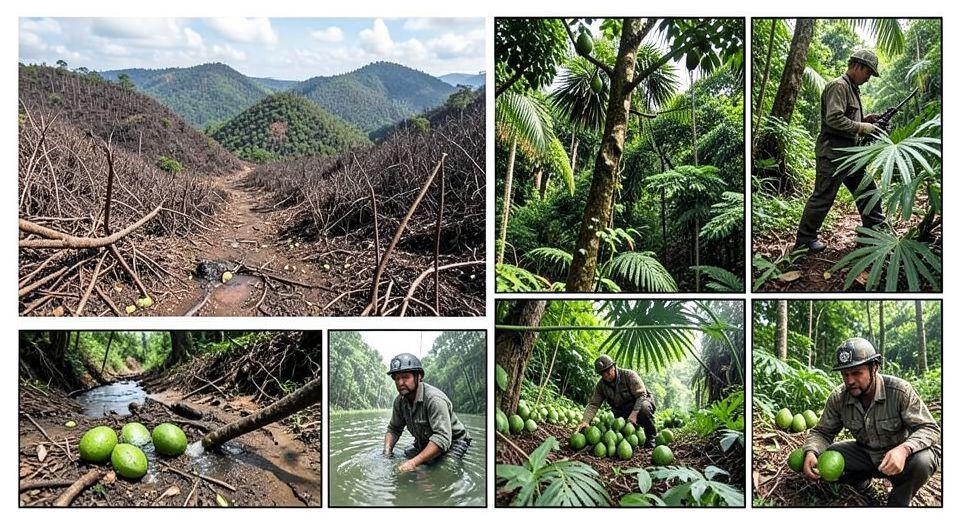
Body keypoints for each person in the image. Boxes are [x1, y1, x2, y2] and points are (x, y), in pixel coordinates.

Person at [801, 338, 941, 506]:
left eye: (856, 373)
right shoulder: (839, 398)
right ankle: (863, 485)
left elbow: (930, 428)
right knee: (824, 458)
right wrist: (811, 452)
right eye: (845, 374)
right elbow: (822, 432)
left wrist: (904, 449)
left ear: (874, 368)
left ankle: (898, 503)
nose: (850, 380)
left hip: (901, 460)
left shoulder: (899, 391)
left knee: (923, 461)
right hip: (866, 455)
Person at [795, 49, 886, 252]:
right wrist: (863, 128)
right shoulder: (839, 86)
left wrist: (865, 120)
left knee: (867, 189)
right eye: (868, 73)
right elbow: (834, 119)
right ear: (857, 66)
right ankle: (804, 240)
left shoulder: (852, 89)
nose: (869, 78)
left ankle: (875, 229)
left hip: (850, 154)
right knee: (823, 197)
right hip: (833, 155)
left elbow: (847, 120)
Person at [382, 353, 471, 472]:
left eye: (405, 377)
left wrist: (413, 463)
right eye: (397, 378)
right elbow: (394, 429)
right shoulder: (399, 402)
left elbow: (442, 437)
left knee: (443, 471)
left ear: (418, 377)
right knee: (405, 456)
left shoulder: (434, 400)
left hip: (454, 443)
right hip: (426, 441)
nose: (400, 382)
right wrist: (387, 453)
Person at [576, 354, 657, 448]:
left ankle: (651, 437)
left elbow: (641, 395)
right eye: (602, 373)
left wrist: (634, 414)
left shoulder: (629, 375)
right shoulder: (601, 385)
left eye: (608, 371)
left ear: (614, 367)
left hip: (640, 402)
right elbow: (594, 404)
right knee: (619, 430)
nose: (606, 375)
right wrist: (585, 421)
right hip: (621, 409)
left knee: (644, 409)